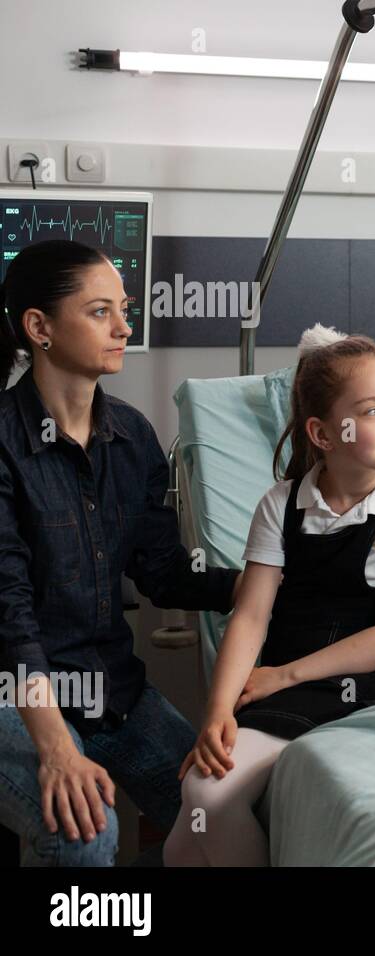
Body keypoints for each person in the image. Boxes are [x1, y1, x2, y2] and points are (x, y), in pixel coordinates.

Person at [164, 326, 375, 866]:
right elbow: (250, 616)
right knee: (181, 848)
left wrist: (286, 674)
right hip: (273, 687)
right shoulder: (280, 505)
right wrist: (218, 710)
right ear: (322, 433)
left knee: (206, 795)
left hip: (356, 690)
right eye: (372, 411)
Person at [0, 240, 243, 866]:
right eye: (101, 311)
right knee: (84, 832)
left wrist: (260, 583)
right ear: (39, 327)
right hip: (16, 693)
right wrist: (55, 747)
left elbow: (162, 570)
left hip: (112, 689)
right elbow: (11, 612)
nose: (125, 327)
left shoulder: (131, 435)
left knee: (218, 812)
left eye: (125, 309)